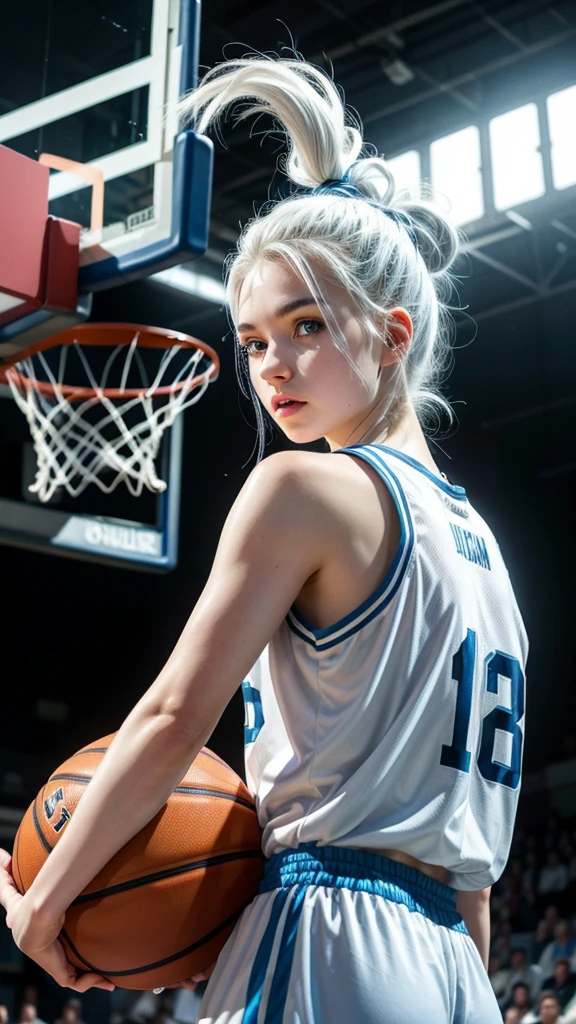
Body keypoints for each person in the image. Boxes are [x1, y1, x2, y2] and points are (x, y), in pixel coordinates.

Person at [0, 54, 528, 1023]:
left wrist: (46, 902)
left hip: (329, 930)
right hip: (456, 970)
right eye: (251, 339)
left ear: (394, 333)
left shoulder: (304, 488)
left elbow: (169, 719)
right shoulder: (490, 560)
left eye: (306, 326)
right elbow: (475, 879)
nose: (272, 365)